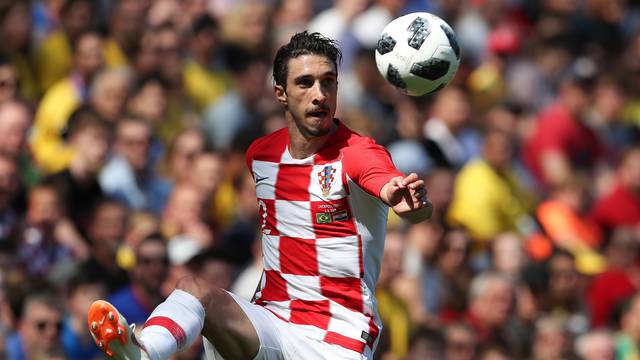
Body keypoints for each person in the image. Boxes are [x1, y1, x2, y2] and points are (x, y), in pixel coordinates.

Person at [87, 31, 432, 360]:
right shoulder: (262, 155)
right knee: (193, 290)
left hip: (335, 342)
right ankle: (143, 350)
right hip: (273, 323)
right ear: (280, 93)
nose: (319, 94)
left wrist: (405, 202)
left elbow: (389, 186)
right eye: (305, 82)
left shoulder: (359, 153)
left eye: (328, 82)